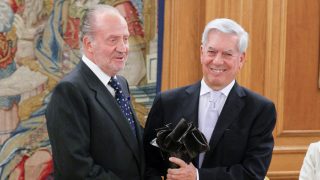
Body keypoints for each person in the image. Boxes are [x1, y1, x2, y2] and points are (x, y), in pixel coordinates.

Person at [143, 18, 277, 180]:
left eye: (227, 54)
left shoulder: (260, 109)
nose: (217, 61)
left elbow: (253, 172)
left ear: (241, 59)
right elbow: (148, 163)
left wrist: (198, 176)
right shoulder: (167, 102)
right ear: (201, 52)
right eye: (211, 52)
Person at [46, 4, 145, 179]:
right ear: (89, 44)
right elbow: (77, 170)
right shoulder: (69, 91)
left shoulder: (120, 84)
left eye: (125, 38)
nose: (123, 48)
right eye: (113, 40)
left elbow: (130, 146)